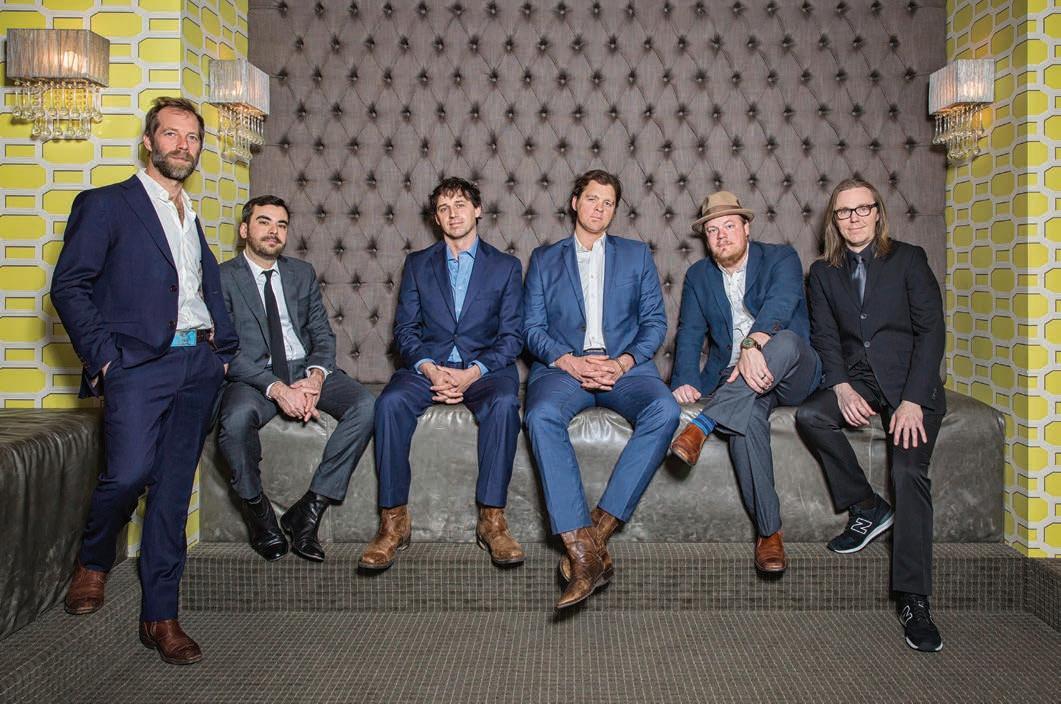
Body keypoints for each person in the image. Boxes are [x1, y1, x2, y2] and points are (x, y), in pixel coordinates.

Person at [51, 97, 237, 665]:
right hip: (136, 366)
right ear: (148, 141)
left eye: (192, 137)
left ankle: (161, 615)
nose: (183, 145)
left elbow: (202, 288)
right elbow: (69, 286)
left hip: (197, 365)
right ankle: (94, 558)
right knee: (128, 473)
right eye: (172, 134)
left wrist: (221, 354)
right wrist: (106, 360)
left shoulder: (191, 215)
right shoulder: (107, 204)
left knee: (173, 494)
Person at [795, 178, 947, 652]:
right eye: (845, 211)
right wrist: (840, 387)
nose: (855, 218)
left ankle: (914, 599)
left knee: (907, 472)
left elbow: (932, 332)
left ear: (878, 212)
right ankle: (866, 506)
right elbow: (824, 336)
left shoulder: (909, 259)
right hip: (858, 380)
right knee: (810, 416)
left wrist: (913, 400)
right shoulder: (823, 273)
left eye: (863, 208)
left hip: (909, 383)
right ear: (834, 220)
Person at [523, 169, 681, 609]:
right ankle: (582, 551)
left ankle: (594, 536)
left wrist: (622, 362)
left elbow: (655, 323)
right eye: (592, 199)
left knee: (666, 410)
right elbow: (531, 327)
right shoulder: (544, 259)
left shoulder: (635, 255)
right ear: (575, 202)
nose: (599, 208)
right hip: (563, 368)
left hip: (624, 368)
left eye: (608, 203)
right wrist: (569, 361)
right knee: (539, 415)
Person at [360, 177, 525, 571]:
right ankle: (393, 521)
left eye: (461, 205)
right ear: (435, 218)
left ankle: (492, 520)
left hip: (485, 368)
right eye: (444, 208)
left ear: (478, 210)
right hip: (428, 366)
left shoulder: (505, 266)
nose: (453, 214)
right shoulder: (418, 264)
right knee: (390, 403)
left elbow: (512, 336)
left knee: (505, 404)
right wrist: (430, 369)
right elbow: (405, 330)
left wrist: (473, 373)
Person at [669, 191, 821, 575]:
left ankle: (704, 423)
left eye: (729, 226)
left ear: (747, 227)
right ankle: (770, 533)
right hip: (737, 379)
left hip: (792, 369)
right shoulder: (699, 276)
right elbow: (690, 332)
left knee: (786, 341)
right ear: (706, 238)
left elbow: (782, 304)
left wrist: (752, 345)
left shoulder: (781, 258)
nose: (721, 235)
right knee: (746, 420)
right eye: (712, 230)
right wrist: (685, 378)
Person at [216, 195, 375, 563]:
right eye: (264, 222)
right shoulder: (223, 277)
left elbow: (322, 334)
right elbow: (226, 351)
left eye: (281, 225)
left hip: (304, 368)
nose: (274, 231)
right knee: (235, 420)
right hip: (255, 377)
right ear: (244, 230)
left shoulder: (301, 273)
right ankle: (258, 512)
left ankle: (310, 508)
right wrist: (276, 388)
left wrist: (316, 377)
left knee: (366, 405)